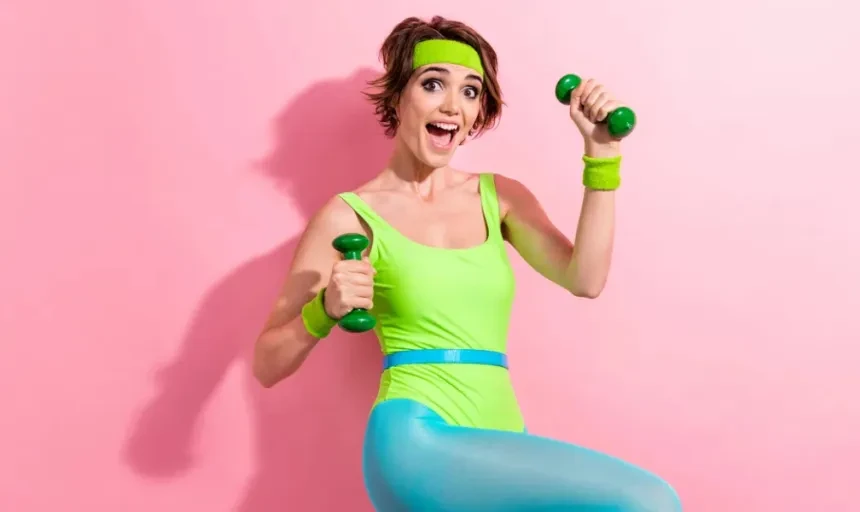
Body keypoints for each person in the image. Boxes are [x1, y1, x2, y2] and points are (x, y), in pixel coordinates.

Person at [253, 15, 682, 512]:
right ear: (397, 97)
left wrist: (602, 156)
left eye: (471, 92)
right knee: (648, 502)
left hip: (502, 437)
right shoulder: (351, 215)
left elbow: (585, 279)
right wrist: (322, 310)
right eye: (433, 84)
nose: (453, 106)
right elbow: (267, 364)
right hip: (415, 441)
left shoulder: (498, 197)